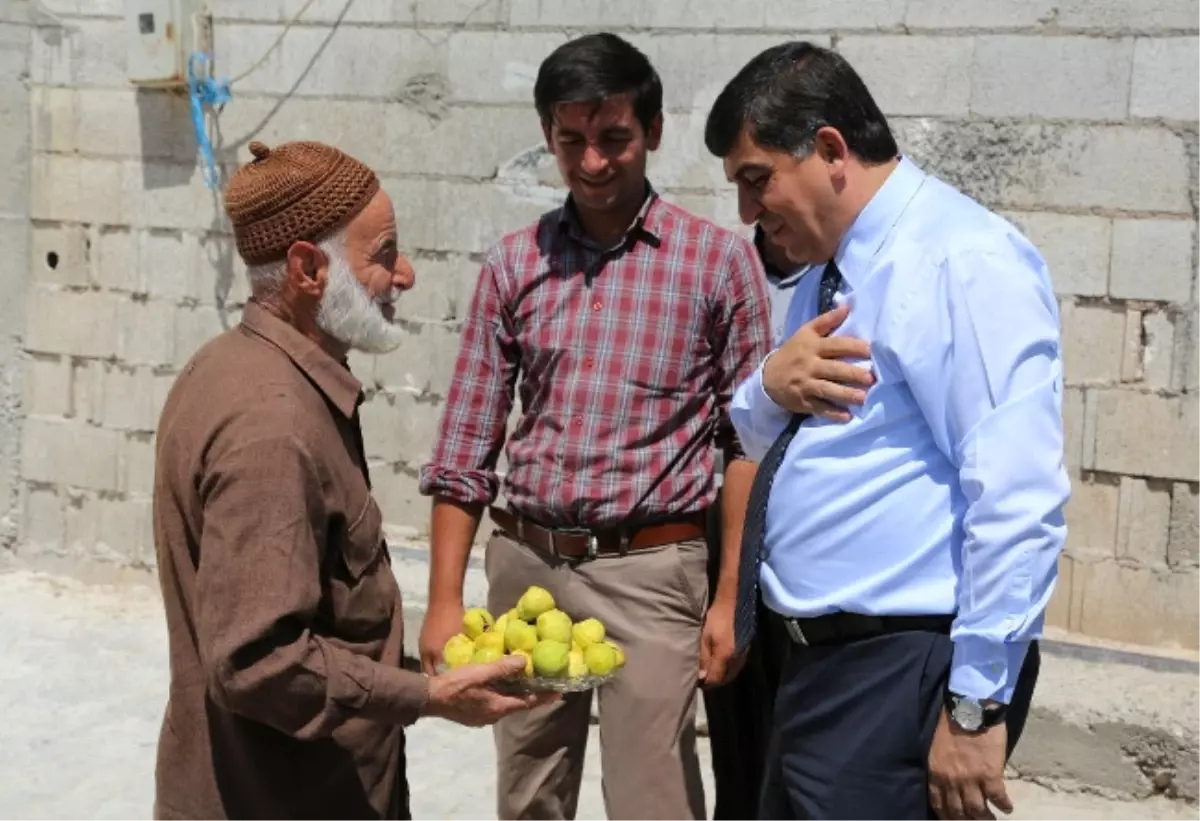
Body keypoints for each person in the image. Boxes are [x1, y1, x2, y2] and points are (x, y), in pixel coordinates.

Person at [704, 42, 1070, 821]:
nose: (746, 212)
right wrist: (769, 385)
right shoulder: (833, 270)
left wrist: (974, 706)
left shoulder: (961, 259)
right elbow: (782, 441)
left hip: (899, 668)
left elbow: (1017, 494)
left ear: (830, 150)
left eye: (755, 179)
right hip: (818, 667)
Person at [417, 33, 774, 821]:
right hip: (527, 572)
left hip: (654, 572)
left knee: (654, 800)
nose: (592, 161)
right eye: (570, 140)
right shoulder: (515, 265)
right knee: (529, 796)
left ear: (652, 130)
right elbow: (465, 446)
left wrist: (728, 601)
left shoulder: (717, 265)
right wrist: (444, 599)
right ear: (548, 135)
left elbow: (749, 444)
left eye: (613, 138)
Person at [150, 139, 552, 821]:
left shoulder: (232, 366)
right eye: (383, 253)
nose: (406, 274)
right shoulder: (273, 427)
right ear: (309, 267)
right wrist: (427, 696)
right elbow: (256, 662)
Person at [701, 223, 805, 821]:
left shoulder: (853, 279)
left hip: (809, 535)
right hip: (734, 521)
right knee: (739, 736)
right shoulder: (728, 271)